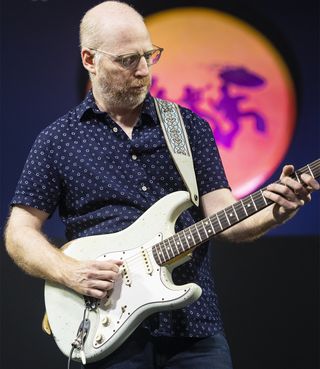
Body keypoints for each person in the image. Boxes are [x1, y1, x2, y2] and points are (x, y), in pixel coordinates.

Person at [4, 1, 319, 369]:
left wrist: (274, 213)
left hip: (193, 329)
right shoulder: (57, 140)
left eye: (149, 55)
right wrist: (69, 272)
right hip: (105, 328)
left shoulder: (189, 128)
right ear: (90, 59)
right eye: (127, 60)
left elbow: (226, 220)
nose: (142, 70)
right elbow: (19, 232)